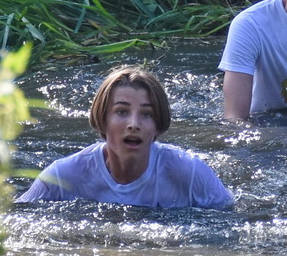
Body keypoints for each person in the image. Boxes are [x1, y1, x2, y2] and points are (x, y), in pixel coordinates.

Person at [18, 66, 233, 209]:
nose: (134, 124)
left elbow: (233, 218)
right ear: (102, 120)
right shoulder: (60, 176)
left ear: (158, 126)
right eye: (122, 112)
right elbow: (14, 220)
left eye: (146, 114)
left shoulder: (189, 172)